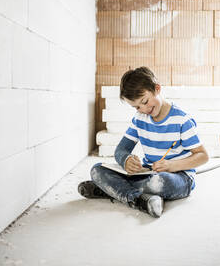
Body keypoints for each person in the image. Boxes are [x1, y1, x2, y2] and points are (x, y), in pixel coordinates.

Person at [78, 67, 208, 218]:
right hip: (148, 173)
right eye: (137, 107)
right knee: (97, 169)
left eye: (145, 102)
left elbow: (203, 156)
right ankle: (139, 199)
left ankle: (110, 189)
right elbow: (121, 149)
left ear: (157, 89)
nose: (144, 109)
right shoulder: (139, 119)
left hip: (178, 177)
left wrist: (172, 166)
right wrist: (126, 160)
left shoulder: (182, 120)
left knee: (158, 183)